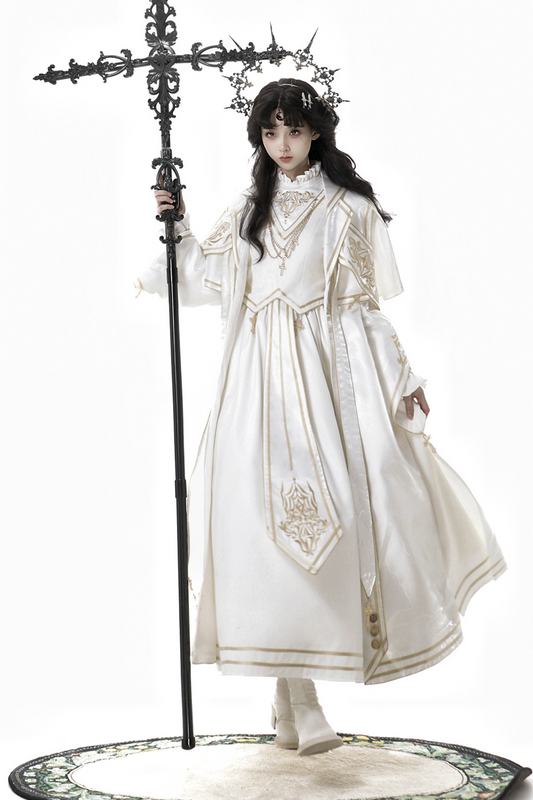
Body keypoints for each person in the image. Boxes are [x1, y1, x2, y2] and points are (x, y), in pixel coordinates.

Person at [135, 78, 505, 756]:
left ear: (316, 133)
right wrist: (177, 223)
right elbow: (196, 277)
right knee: (260, 530)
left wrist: (400, 376)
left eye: (295, 130)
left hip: (323, 380)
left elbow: (362, 306)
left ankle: (294, 702)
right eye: (270, 131)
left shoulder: (347, 209)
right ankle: (299, 703)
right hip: (252, 385)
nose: (283, 144)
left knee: (335, 517)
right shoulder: (247, 208)